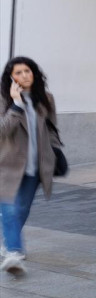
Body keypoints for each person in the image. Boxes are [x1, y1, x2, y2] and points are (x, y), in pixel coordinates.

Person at [0, 57, 63, 276]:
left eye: (27, 71)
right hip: (7, 165)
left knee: (21, 209)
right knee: (9, 207)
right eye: (18, 73)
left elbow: (52, 129)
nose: (24, 76)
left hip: (36, 165)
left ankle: (9, 240)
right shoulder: (3, 100)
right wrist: (16, 105)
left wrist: (55, 152)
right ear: (10, 78)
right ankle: (14, 253)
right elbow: (2, 131)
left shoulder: (46, 98)